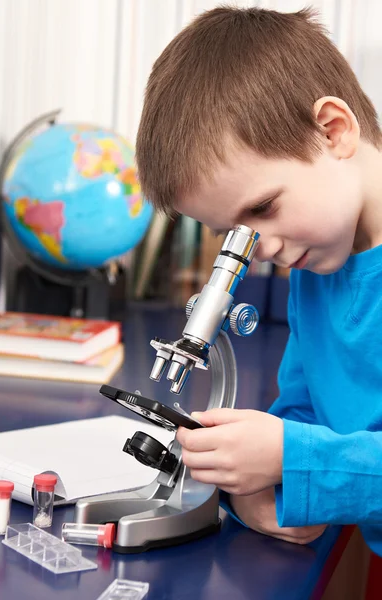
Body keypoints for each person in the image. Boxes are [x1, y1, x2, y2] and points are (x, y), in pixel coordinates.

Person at [135, 6, 382, 555]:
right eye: (233, 233)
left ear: (331, 131)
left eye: (264, 208)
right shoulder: (316, 262)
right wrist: (245, 480)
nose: (261, 250)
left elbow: (305, 447)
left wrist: (295, 461)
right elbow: (303, 412)